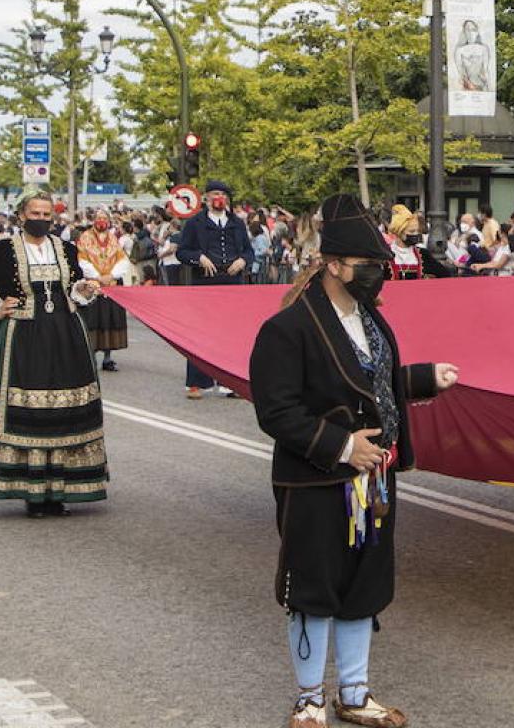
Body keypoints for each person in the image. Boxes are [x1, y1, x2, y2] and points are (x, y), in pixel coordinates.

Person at [248, 193, 460, 728]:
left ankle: (355, 693)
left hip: (375, 480)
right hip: (316, 481)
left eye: (380, 265)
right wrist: (343, 447)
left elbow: (374, 384)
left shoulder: (371, 321)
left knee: (364, 586)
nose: (377, 274)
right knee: (314, 587)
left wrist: (423, 378)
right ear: (335, 264)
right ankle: (309, 698)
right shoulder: (287, 329)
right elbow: (277, 411)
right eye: (368, 265)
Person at [0, 193, 107, 516]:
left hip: (66, 335)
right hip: (23, 336)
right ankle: (32, 492)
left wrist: (83, 290)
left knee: (65, 409)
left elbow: (72, 289)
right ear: (22, 216)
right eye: (35, 213)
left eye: (46, 214)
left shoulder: (66, 248)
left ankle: (60, 490)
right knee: (29, 410)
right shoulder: (3, 250)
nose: (41, 219)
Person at [175, 181, 252, 399]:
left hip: (232, 283)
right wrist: (198, 258)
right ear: (207, 198)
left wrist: (243, 261)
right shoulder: (195, 223)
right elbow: (182, 252)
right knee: (200, 332)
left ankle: (231, 383)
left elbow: (249, 251)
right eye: (215, 193)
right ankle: (196, 383)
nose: (219, 197)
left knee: (231, 333)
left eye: (223, 194)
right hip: (205, 283)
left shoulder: (237, 223)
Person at [76, 210, 133, 373]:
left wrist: (112, 275)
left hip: (111, 286)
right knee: (92, 321)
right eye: (99, 218)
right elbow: (82, 260)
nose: (102, 221)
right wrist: (98, 277)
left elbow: (122, 259)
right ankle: (91, 357)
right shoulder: (85, 237)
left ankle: (108, 358)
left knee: (110, 321)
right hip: (92, 286)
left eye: (104, 219)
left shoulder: (113, 239)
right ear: (94, 220)